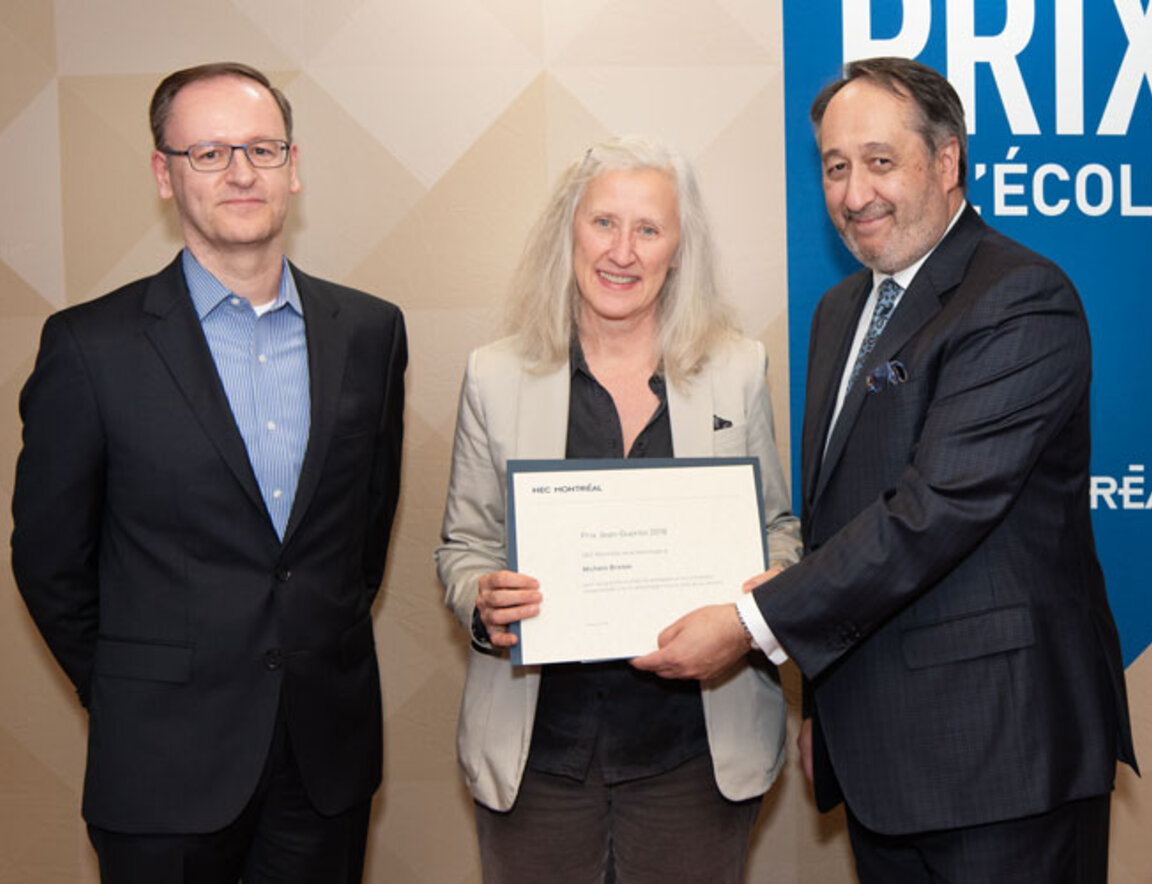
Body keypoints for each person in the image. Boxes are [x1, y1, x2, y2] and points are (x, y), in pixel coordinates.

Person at [633, 57, 1137, 882]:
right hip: (880, 758)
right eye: (836, 167)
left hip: (1004, 758)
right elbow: (840, 519)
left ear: (947, 161)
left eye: (879, 161)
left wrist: (751, 623)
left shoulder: (1019, 297)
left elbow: (933, 513)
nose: (854, 192)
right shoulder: (841, 311)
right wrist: (826, 712)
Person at [11, 62, 406, 884]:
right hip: (160, 764)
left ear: (293, 167)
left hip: (323, 763)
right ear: (165, 174)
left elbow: (361, 540)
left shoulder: (371, 332)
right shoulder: (89, 347)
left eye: (262, 149)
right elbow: (50, 561)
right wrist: (128, 685)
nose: (240, 172)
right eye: (209, 153)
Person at [435, 136, 801, 884]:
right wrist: (482, 598)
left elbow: (777, 531)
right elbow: (464, 545)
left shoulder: (736, 370)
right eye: (604, 222)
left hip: (696, 757)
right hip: (538, 757)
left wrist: (751, 612)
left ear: (679, 249)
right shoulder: (496, 374)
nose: (623, 252)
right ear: (568, 230)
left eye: (649, 229)